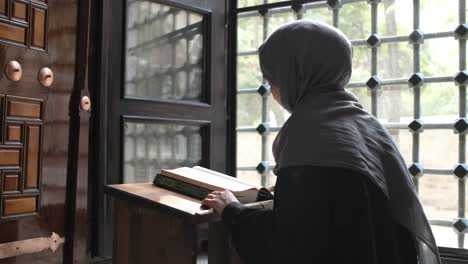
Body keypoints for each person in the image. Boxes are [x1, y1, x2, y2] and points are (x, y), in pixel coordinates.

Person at [202, 20, 441, 264]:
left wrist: (233, 211)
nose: (272, 89)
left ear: (294, 77)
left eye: (272, 79)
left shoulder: (308, 132)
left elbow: (291, 246)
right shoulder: (367, 125)